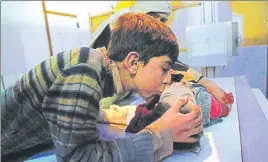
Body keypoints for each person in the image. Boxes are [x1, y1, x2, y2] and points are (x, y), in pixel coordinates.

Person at [1, 13, 203, 162]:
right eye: (164, 68)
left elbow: (78, 116)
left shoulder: (95, 68)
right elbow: (77, 158)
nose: (168, 78)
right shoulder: (84, 72)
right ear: (133, 62)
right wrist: (160, 133)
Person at [90, 1, 233, 110]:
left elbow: (165, 62)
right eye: (156, 17)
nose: (159, 24)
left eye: (163, 20)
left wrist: (204, 82)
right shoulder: (120, 26)